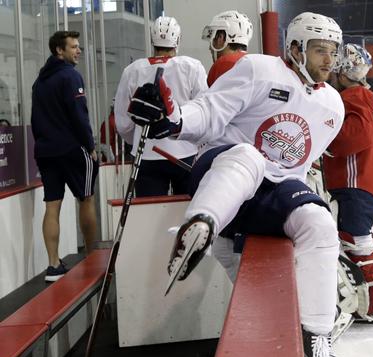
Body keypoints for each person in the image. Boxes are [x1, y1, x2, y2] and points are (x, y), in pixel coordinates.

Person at [127, 12, 348, 357]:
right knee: (249, 156)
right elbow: (209, 111)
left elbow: (298, 168)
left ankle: (317, 339)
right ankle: (200, 225)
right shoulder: (258, 69)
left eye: (333, 51)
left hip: (270, 195)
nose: (329, 59)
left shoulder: (332, 106)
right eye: (320, 49)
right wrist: (174, 120)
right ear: (294, 48)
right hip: (223, 175)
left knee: (319, 222)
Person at [324, 43, 373, 323]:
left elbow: (355, 138)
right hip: (363, 185)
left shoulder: (354, 97)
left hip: (356, 187)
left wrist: (323, 139)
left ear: (342, 71)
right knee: (364, 242)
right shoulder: (363, 96)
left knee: (358, 245)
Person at [31, 30, 98, 282]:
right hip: (71, 149)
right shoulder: (70, 76)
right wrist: (89, 145)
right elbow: (79, 115)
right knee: (87, 198)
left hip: (46, 151)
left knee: (52, 204)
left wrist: (43, 144)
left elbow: (35, 119)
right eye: (74, 47)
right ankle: (92, 257)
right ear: (59, 50)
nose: (78, 50)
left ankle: (53, 266)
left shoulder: (40, 81)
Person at [114, 16, 207, 197]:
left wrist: (137, 139)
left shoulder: (132, 70)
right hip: (186, 152)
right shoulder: (192, 67)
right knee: (187, 213)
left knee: (150, 216)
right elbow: (204, 113)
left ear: (152, 40)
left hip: (146, 154)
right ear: (178, 40)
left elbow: (123, 124)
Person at [201, 10, 253, 86]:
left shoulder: (224, 63)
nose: (210, 48)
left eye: (212, 40)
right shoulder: (255, 63)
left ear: (220, 38)